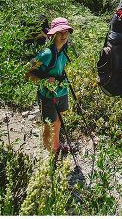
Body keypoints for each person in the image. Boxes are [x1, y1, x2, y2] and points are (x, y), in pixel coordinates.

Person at [25, 17, 73, 154]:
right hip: (47, 95)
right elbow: (26, 72)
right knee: (49, 125)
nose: (64, 36)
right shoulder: (46, 54)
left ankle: (56, 147)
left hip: (61, 91)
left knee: (58, 120)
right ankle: (51, 154)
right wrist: (43, 81)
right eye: (60, 32)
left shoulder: (63, 49)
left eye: (66, 32)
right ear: (53, 34)